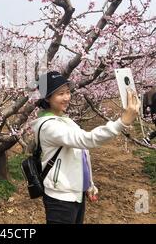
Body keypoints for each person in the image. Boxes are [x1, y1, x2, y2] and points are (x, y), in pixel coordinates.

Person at [31, 71, 140, 224]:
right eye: (60, 94)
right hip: (60, 198)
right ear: (48, 98)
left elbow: (81, 153)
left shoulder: (63, 119)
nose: (67, 97)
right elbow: (86, 140)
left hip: (75, 193)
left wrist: (88, 184)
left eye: (68, 92)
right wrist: (121, 122)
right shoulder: (49, 126)